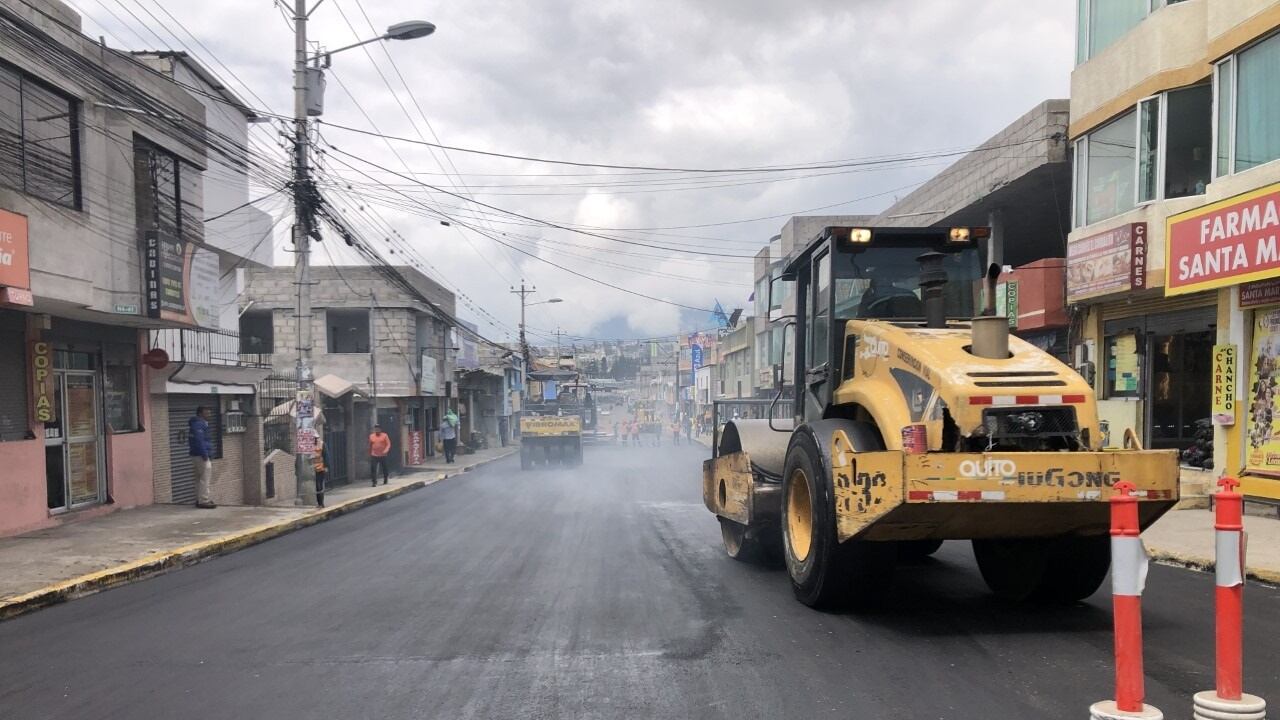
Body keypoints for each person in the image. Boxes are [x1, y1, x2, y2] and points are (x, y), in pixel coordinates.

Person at [189, 406, 216, 509]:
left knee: (199, 479)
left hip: (196, 455)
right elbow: (200, 441)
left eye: (209, 413)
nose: (209, 415)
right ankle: (204, 500)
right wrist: (205, 454)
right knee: (205, 478)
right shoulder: (199, 425)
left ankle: (199, 499)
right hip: (201, 455)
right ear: (200, 414)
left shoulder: (196, 424)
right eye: (207, 413)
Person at [313, 436, 328, 508]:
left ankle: (321, 503)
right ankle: (319, 503)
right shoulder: (309, 445)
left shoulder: (322, 444)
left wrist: (326, 467)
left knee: (319, 486)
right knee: (317, 486)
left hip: (320, 469)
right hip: (313, 469)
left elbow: (326, 456)